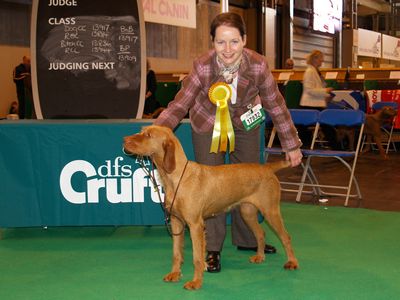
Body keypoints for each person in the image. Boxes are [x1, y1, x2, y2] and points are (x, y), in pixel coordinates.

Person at [154, 12, 302, 273]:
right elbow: (181, 104)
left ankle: (247, 239)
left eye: (234, 41)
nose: (228, 49)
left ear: (244, 40)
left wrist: (291, 144)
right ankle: (212, 248)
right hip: (207, 124)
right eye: (221, 42)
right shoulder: (202, 65)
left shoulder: (258, 65)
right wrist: (158, 130)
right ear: (212, 42)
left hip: (246, 121)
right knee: (208, 188)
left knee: (248, 180)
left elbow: (276, 104)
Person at [299, 50, 337, 148]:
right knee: (326, 127)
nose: (322, 60)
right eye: (321, 58)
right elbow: (309, 90)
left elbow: (317, 88)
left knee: (324, 127)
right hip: (310, 104)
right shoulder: (310, 71)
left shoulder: (316, 71)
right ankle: (337, 148)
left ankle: (336, 147)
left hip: (315, 104)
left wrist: (327, 95)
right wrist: (325, 91)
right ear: (315, 59)